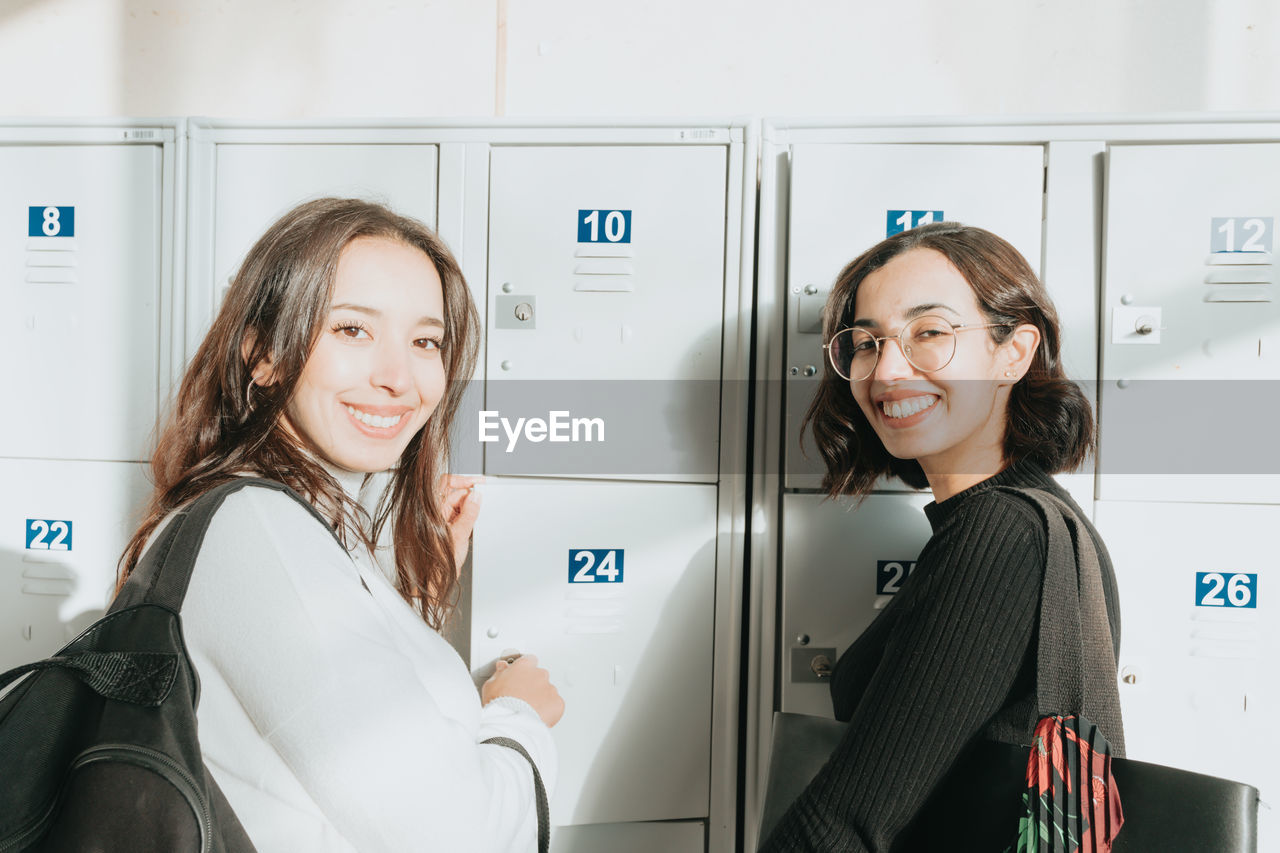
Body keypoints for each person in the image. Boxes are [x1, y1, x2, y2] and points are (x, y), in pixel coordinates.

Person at [118, 197, 563, 852]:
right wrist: (519, 713)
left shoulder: (284, 522)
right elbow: (463, 837)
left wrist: (414, 598)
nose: (398, 377)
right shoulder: (258, 531)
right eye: (353, 330)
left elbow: (306, 739)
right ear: (263, 354)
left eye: (425, 341)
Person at [760, 222, 1123, 851]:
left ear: (1015, 352)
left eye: (929, 332)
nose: (887, 372)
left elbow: (844, 822)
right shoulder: (1025, 518)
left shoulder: (1001, 531)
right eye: (867, 343)